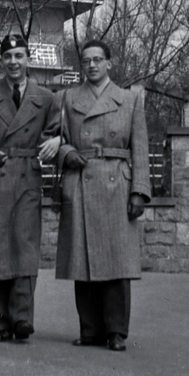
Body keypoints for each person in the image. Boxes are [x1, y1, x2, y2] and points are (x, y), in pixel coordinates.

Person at [49, 38, 150, 351]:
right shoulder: (65, 98)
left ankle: (116, 331)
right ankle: (90, 329)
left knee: (117, 262)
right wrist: (66, 153)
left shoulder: (129, 100)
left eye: (97, 59)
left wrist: (139, 192)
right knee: (83, 259)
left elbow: (141, 150)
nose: (91, 65)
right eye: (86, 60)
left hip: (117, 184)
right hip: (80, 181)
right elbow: (50, 138)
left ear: (109, 63)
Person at [0, 32, 59, 344]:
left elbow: (58, 133)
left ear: (28, 59)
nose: (13, 63)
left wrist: (57, 140)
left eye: (19, 56)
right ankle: (1, 321)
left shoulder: (45, 97)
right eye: (7, 57)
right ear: (1, 60)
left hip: (27, 178)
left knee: (24, 246)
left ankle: (22, 319)